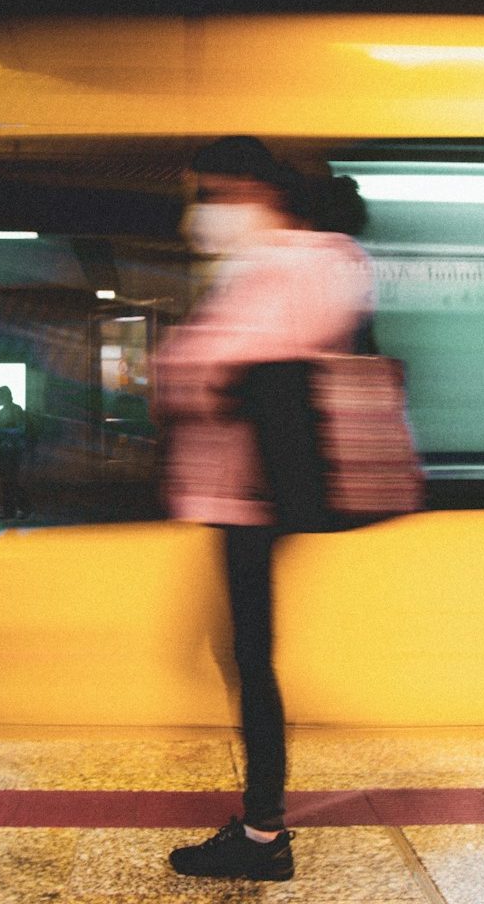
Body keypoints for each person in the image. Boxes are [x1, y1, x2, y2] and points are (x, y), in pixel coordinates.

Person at [156, 137, 374, 882]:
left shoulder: (284, 264)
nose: (205, 213)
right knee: (244, 654)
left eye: (213, 194)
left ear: (250, 186)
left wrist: (181, 366)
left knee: (251, 658)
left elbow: (209, 370)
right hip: (250, 489)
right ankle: (261, 824)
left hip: (249, 490)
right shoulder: (321, 260)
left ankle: (261, 834)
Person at [0, 385, 32, 520]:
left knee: (11, 481)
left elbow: (21, 429)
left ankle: (24, 508)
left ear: (4, 396)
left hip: (12, 450)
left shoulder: (16, 410)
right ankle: (10, 511)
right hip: (4, 450)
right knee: (6, 481)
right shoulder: (2, 412)